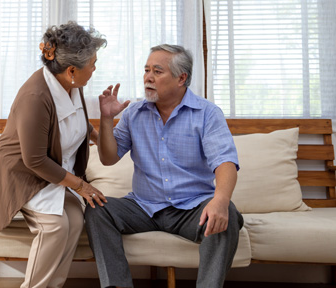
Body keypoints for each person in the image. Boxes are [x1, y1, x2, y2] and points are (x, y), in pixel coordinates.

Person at [85, 44, 244, 288]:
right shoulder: (133, 113)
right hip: (143, 207)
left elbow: (224, 162)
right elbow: (109, 158)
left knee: (227, 213)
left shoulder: (207, 113)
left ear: (182, 78)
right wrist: (106, 119)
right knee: (98, 209)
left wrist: (220, 201)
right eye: (146, 70)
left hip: (191, 209)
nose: (148, 77)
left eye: (157, 71)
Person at [0, 21, 108, 288]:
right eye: (93, 63)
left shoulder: (72, 84)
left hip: (52, 169)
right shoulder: (35, 96)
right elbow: (34, 160)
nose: (95, 69)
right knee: (55, 227)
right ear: (72, 70)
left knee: (75, 220)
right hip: (24, 172)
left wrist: (98, 137)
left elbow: (74, 119)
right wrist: (81, 186)